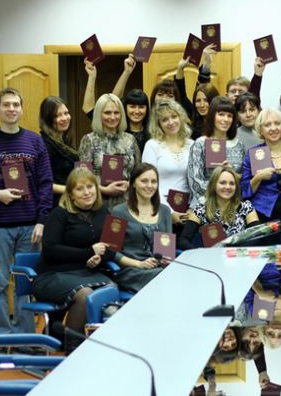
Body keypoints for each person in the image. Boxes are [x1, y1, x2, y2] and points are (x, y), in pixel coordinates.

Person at [0, 88, 53, 335]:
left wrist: (42, 220)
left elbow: (45, 183)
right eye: (6, 104)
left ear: (22, 109)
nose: (11, 109)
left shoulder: (35, 141)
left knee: (25, 285)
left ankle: (25, 336)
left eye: (16, 104)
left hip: (30, 226)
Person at [32, 168, 114, 352]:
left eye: (90, 187)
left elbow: (111, 247)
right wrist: (88, 252)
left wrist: (98, 259)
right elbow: (50, 250)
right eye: (79, 189)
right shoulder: (59, 214)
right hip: (52, 275)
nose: (86, 192)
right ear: (70, 194)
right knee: (85, 295)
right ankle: (73, 350)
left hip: (86, 273)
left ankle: (100, 346)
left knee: (111, 288)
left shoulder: (104, 212)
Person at [111, 163, 172, 292]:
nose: (149, 186)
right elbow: (110, 251)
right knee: (168, 279)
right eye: (144, 181)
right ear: (133, 183)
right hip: (132, 271)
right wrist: (139, 264)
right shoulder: (118, 212)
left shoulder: (165, 211)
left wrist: (166, 259)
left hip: (159, 269)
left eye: (153, 181)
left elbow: (166, 251)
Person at [241, 108, 281, 229]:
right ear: (260, 129)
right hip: (262, 212)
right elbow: (244, 192)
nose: (273, 128)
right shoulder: (254, 153)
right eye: (267, 125)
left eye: (277, 123)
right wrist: (258, 177)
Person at [78, 94, 140, 209]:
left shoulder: (130, 139)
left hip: (128, 203)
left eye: (116, 113)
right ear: (98, 114)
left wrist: (130, 184)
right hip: (98, 203)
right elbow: (82, 178)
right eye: (107, 113)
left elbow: (139, 173)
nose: (112, 117)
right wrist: (105, 190)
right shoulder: (89, 140)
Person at [178, 166, 259, 250]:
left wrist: (236, 252)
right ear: (213, 185)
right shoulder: (200, 209)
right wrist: (200, 253)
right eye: (223, 183)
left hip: (238, 255)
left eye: (232, 183)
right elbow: (183, 241)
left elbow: (258, 236)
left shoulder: (246, 207)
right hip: (210, 257)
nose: (228, 187)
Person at [187, 96, 246, 206]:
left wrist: (232, 173)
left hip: (231, 205)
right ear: (212, 116)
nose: (226, 119)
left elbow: (243, 180)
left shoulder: (239, 145)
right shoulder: (200, 144)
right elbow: (195, 182)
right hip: (204, 205)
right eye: (221, 114)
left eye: (229, 116)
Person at [142, 100, 193, 227]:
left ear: (181, 117)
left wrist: (192, 209)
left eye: (174, 116)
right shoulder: (152, 145)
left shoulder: (192, 145)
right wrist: (169, 212)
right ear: (158, 124)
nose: (171, 122)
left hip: (188, 211)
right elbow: (148, 182)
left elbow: (197, 182)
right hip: (159, 208)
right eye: (164, 119)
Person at [39, 96, 78, 207]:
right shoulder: (45, 145)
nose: (64, 118)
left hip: (72, 200)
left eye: (66, 113)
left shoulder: (65, 140)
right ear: (48, 119)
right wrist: (74, 191)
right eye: (57, 115)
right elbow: (43, 183)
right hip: (57, 204)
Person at [174, 47, 220, 140]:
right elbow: (181, 95)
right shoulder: (193, 115)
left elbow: (203, 87)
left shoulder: (222, 120)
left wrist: (206, 65)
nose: (202, 105)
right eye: (198, 101)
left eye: (206, 100)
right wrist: (180, 68)